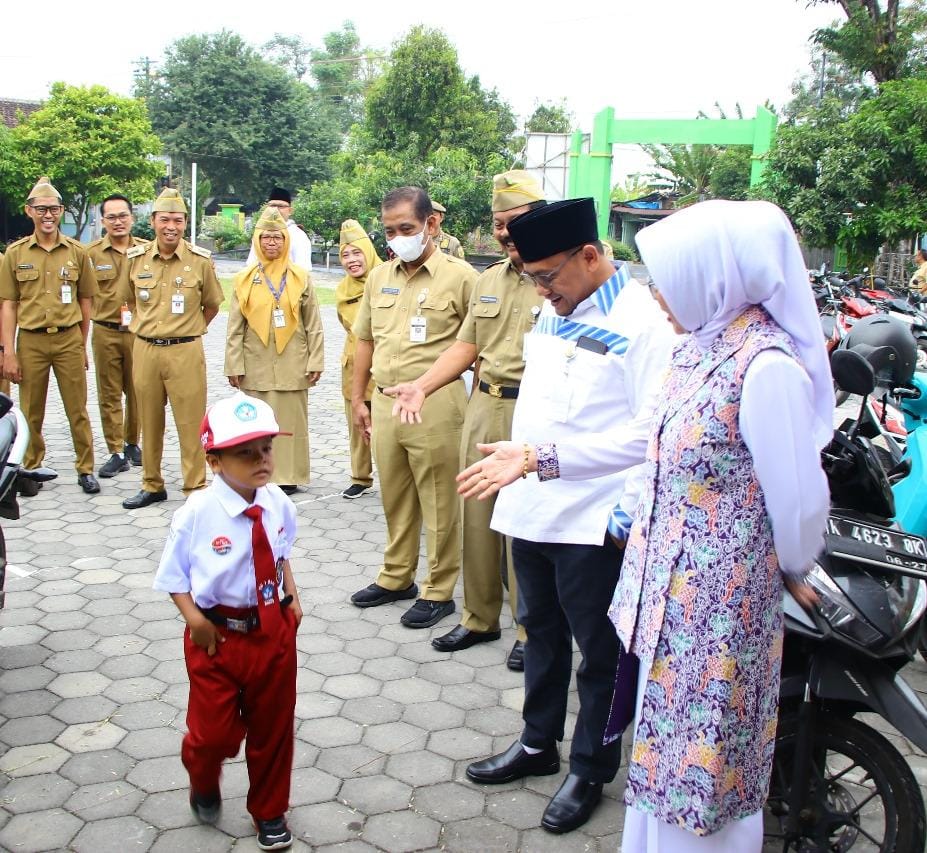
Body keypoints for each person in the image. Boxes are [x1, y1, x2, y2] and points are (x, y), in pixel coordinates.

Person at [464, 200, 832, 850]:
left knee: (704, 760)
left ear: (712, 276)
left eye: (667, 280)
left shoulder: (765, 365)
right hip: (669, 591)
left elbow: (799, 500)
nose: (656, 294)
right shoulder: (701, 348)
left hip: (717, 603)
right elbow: (646, 437)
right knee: (663, 751)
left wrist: (796, 564)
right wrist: (537, 456)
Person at [457, 197, 675, 834]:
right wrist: (524, 465)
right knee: (539, 633)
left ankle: (590, 769)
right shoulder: (555, 309)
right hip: (531, 502)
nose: (540, 290)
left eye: (548, 276)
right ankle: (537, 742)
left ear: (590, 255)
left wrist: (618, 515)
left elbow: (648, 434)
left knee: (600, 653)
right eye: (531, 277)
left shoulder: (644, 325)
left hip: (593, 517)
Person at [385, 170, 546, 669]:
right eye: (498, 224)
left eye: (514, 221)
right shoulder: (489, 280)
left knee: (524, 527)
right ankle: (479, 618)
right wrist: (423, 385)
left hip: (533, 411)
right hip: (483, 406)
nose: (505, 233)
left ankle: (531, 630)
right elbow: (466, 346)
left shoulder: (556, 279)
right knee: (476, 519)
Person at [153, 392, 301, 851]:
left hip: (272, 630)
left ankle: (270, 810)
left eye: (266, 448)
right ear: (214, 461)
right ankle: (202, 774)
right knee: (213, 734)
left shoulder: (278, 502)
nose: (262, 460)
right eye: (246, 453)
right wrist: (195, 621)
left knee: (273, 727)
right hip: (216, 635)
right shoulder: (197, 513)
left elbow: (280, 553)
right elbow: (174, 577)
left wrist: (292, 598)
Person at [349, 186, 477, 628]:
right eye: (389, 231)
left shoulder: (462, 277)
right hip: (386, 402)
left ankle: (438, 589)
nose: (397, 238)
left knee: (440, 501)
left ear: (431, 224)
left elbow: (477, 345)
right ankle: (396, 576)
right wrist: (358, 398)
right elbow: (364, 340)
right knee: (396, 494)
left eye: (406, 228)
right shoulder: (379, 277)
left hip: (436, 403)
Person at [121, 187, 224, 509]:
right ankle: (151, 484)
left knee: (191, 422)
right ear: (152, 221)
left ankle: (195, 487)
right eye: (165, 219)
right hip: (145, 350)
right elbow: (128, 301)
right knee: (149, 420)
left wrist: (189, 330)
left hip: (185, 350)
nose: (171, 227)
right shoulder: (135, 259)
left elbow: (212, 305)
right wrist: (147, 328)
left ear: (185, 223)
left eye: (178, 221)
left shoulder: (199, 261)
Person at [0, 176, 100, 495]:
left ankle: (85, 468)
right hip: (31, 341)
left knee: (77, 409)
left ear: (61, 211)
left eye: (54, 209)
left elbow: (86, 301)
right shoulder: (15, 254)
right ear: (29, 211)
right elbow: (9, 305)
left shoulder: (77, 252)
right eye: (41, 209)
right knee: (31, 410)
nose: (48, 215)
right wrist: (9, 352)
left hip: (68, 338)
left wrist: (81, 344)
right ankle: (31, 468)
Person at [225, 207, 323, 495]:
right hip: (255, 362)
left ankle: (289, 475)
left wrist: (316, 360)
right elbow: (234, 327)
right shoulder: (244, 279)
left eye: (277, 237)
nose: (271, 242)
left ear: (286, 240)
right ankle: (257, 472)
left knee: (291, 421)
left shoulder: (301, 277)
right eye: (266, 237)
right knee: (256, 421)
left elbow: (314, 323)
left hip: (294, 361)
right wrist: (234, 365)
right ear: (257, 240)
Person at [86, 194, 144, 478]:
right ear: (103, 221)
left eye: (123, 216)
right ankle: (115, 451)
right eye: (111, 217)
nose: (118, 221)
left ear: (132, 218)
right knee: (108, 393)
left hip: (138, 332)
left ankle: (132, 442)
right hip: (105, 330)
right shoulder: (90, 254)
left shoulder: (146, 251)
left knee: (138, 390)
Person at [335, 219, 381, 500]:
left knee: (387, 425)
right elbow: (347, 326)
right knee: (357, 423)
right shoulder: (342, 289)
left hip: (385, 364)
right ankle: (360, 477)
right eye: (345, 255)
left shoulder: (388, 278)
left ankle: (396, 476)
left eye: (357, 252)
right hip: (354, 364)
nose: (351, 260)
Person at [247, 187, 312, 272]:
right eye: (272, 206)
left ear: (290, 210)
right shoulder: (260, 233)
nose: (276, 210)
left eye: (281, 206)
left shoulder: (298, 235)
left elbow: (303, 270)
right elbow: (251, 264)